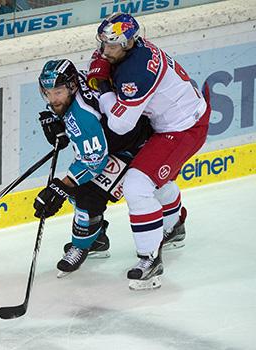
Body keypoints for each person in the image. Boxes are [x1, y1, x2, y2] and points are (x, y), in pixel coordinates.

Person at [87, 13, 211, 290]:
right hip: (169, 120)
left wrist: (104, 87)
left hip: (183, 129)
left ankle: (150, 258)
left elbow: (120, 124)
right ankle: (174, 224)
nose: (105, 51)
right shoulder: (127, 52)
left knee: (137, 184)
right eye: (102, 43)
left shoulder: (136, 72)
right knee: (154, 177)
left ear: (130, 43)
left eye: (113, 46)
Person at [33, 59, 153, 279]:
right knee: (80, 191)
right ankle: (96, 237)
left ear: (71, 87)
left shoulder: (83, 116)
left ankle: (82, 246)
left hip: (134, 147)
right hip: (120, 138)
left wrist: (61, 187)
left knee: (86, 195)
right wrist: (58, 119)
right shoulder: (76, 82)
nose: (53, 99)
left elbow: (94, 161)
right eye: (48, 93)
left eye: (58, 92)